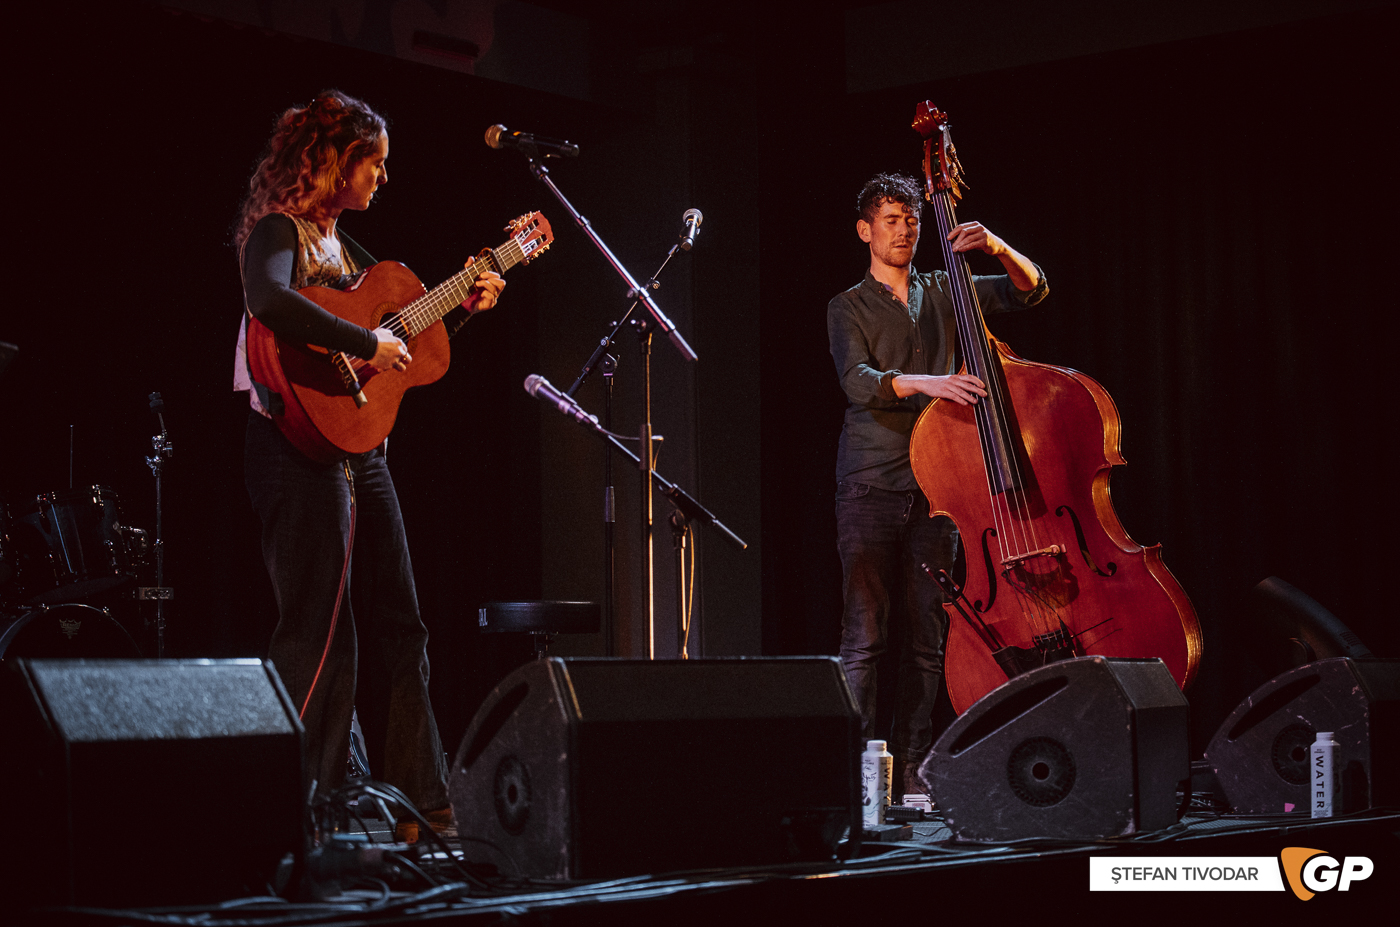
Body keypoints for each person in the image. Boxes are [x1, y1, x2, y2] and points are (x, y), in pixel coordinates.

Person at [233, 90, 505, 841]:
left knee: (403, 623)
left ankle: (426, 802)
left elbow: (399, 347)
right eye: (374, 163)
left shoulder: (345, 250)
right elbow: (268, 301)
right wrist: (364, 343)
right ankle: (298, 810)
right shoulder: (279, 232)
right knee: (318, 633)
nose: (385, 177)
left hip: (361, 453)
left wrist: (463, 306)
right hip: (291, 447)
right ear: (335, 161)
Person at [827, 173, 1046, 798]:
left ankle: (914, 776)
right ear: (865, 230)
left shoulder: (947, 288)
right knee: (865, 640)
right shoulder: (847, 305)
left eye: (911, 220)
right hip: (870, 483)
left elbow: (1031, 290)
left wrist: (997, 245)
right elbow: (857, 380)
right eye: (890, 220)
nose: (904, 230)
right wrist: (928, 382)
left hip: (940, 488)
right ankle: (856, 781)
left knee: (927, 641)